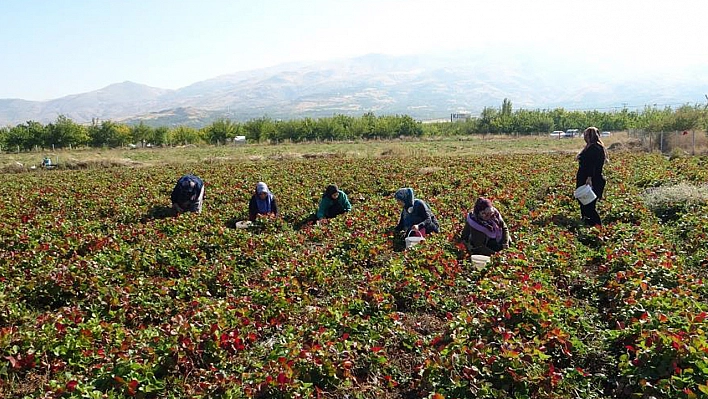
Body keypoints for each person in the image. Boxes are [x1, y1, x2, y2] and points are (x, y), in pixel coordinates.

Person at [576, 126, 608, 227]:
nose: (584, 137)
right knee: (585, 203)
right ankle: (588, 225)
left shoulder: (594, 148)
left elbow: (592, 165)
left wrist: (589, 178)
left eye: (586, 135)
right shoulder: (593, 147)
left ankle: (597, 227)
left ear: (590, 136)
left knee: (589, 206)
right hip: (589, 179)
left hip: (591, 180)